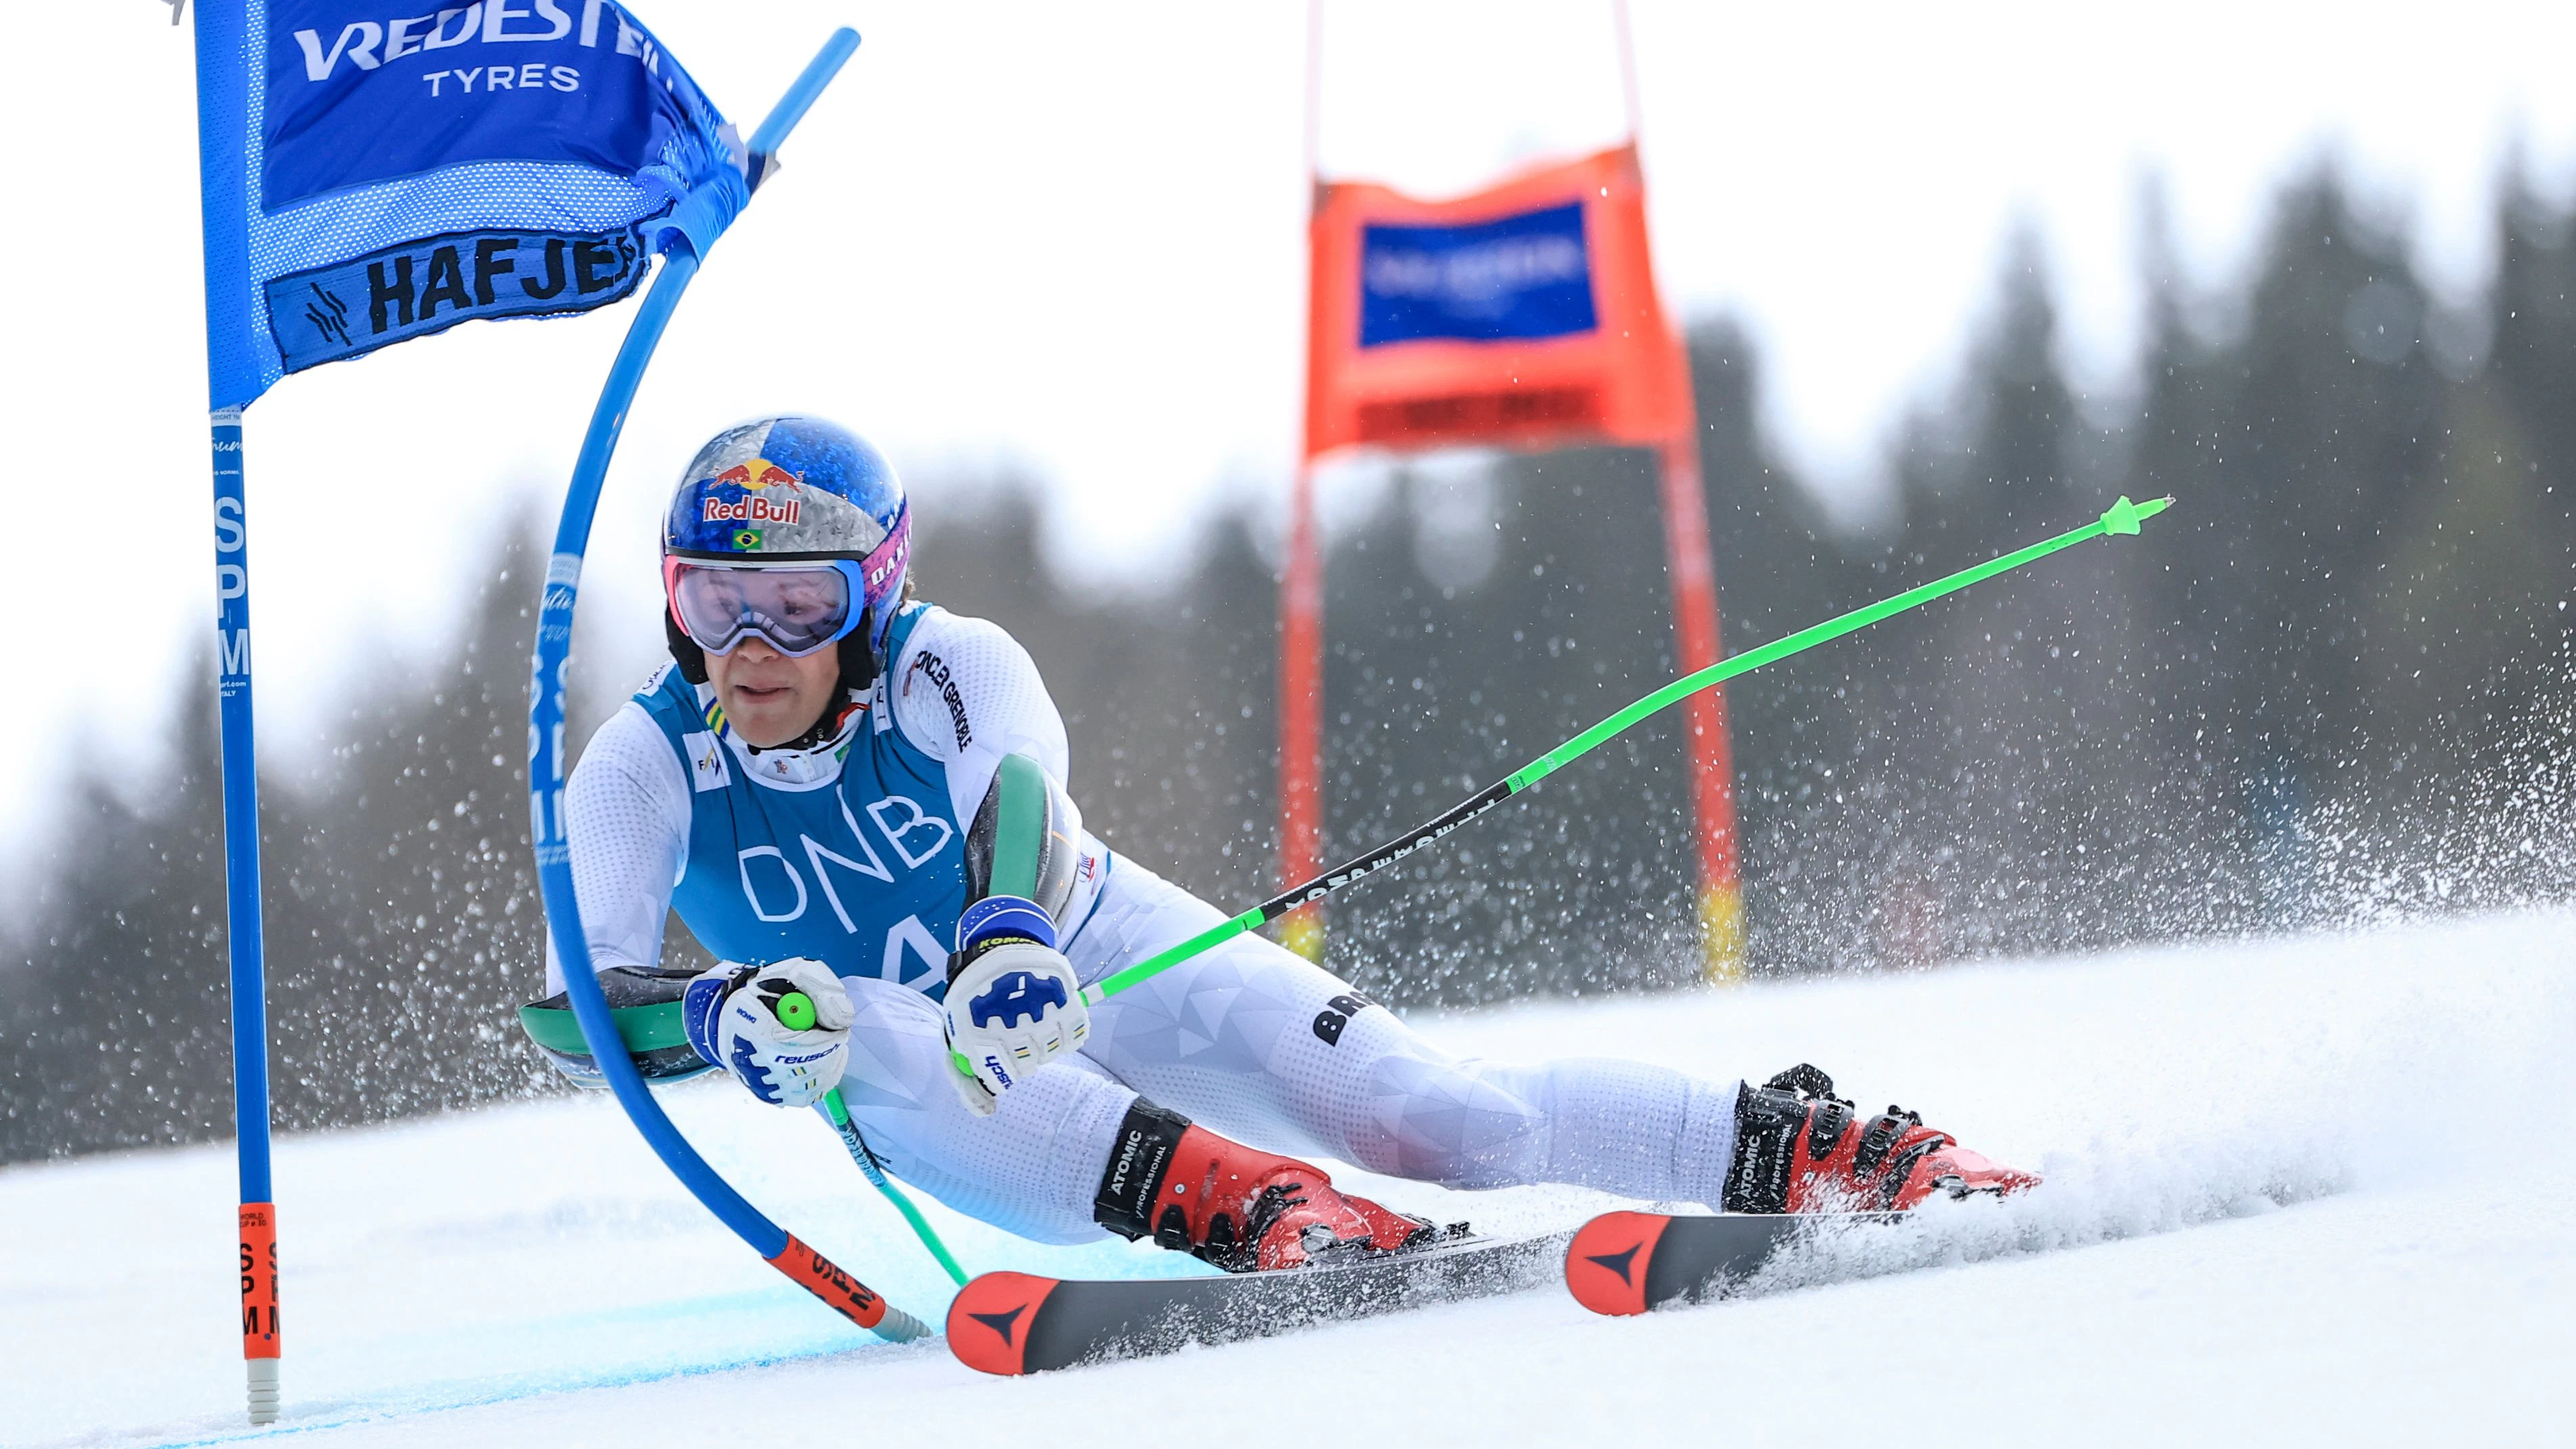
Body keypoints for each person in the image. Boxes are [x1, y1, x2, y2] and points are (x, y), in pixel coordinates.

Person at [543, 415, 2033, 1273]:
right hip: (928, 1085)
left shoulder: (952, 658)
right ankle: (1254, 1208)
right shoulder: (638, 765)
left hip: (1091, 948)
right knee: (840, 1006)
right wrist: (714, 1015)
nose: (748, 643)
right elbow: (574, 1003)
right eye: (710, 598)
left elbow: (1012, 789)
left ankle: (1821, 1147)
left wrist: (1006, 929)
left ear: (869, 595)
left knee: (1441, 1121)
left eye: (795, 602)